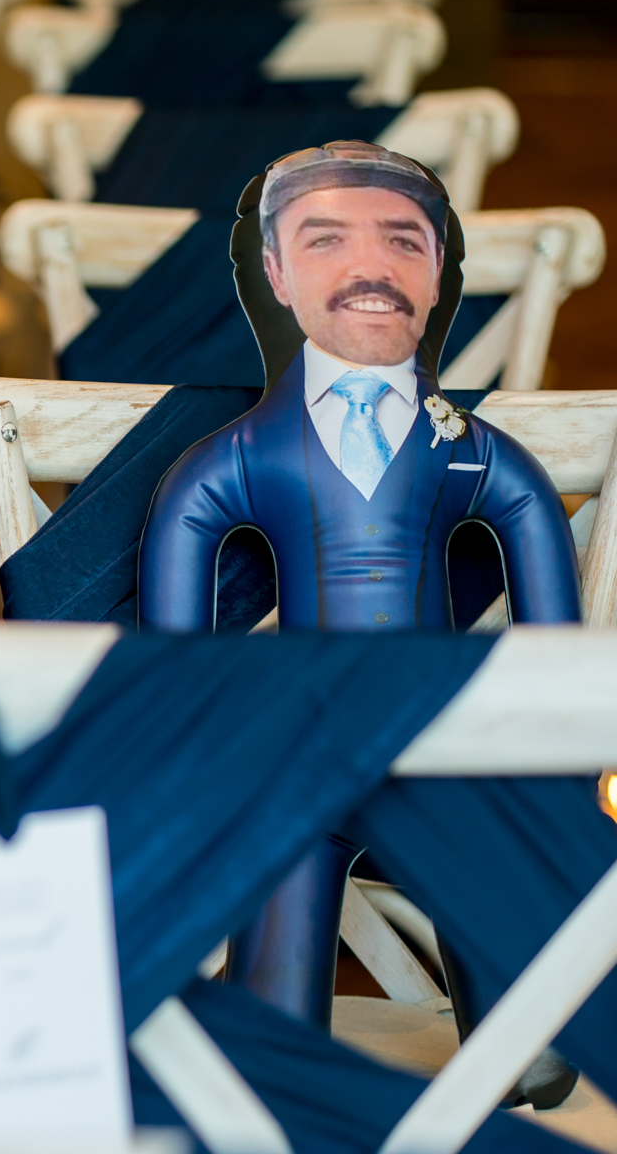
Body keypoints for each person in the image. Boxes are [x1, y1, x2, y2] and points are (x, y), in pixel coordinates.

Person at [136, 141, 582, 1107]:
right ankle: (276, 1039)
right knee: (276, 989)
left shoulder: (478, 458)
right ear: (277, 274)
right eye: (326, 239)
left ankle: (518, 1031)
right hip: (299, 753)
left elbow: (557, 634)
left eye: (403, 242)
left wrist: (562, 756)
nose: (369, 267)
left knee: (505, 922)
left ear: (437, 274)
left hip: (453, 748)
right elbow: (173, 656)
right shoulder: (234, 462)